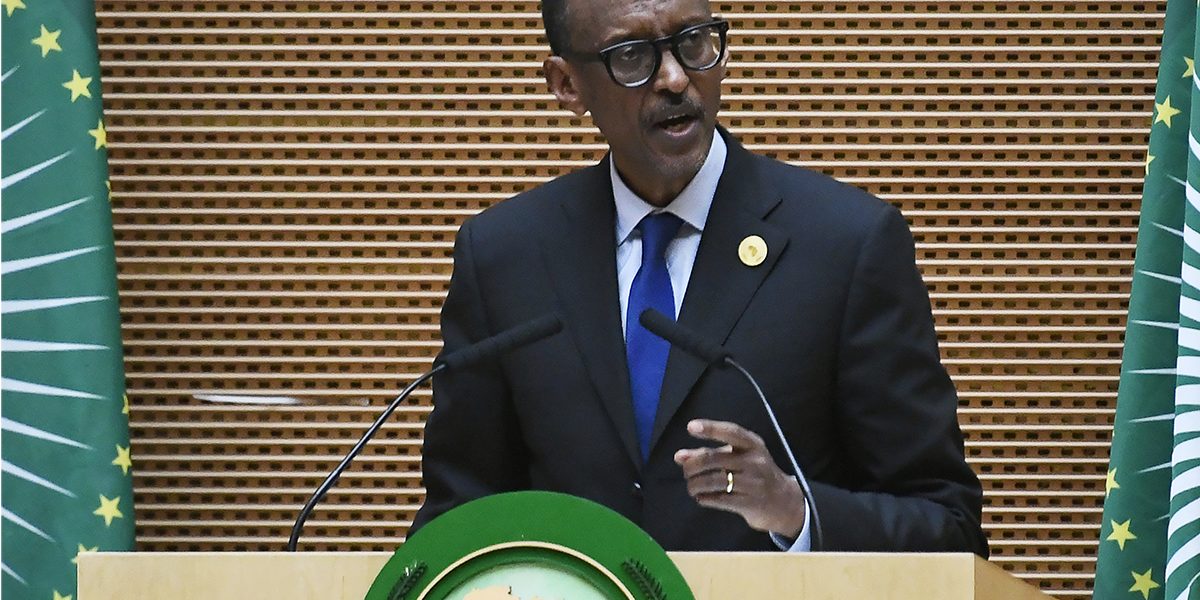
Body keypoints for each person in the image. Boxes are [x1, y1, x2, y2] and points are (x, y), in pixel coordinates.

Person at [410, 0, 988, 555]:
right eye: (632, 55)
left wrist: (795, 510)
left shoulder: (846, 247)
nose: (675, 79)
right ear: (567, 85)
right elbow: (458, 520)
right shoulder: (506, 256)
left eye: (693, 42)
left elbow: (947, 526)